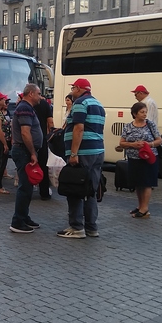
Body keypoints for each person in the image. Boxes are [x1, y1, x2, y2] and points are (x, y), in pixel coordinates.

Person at [58, 78, 106, 239]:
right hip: (97, 151)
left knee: (75, 188)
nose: (71, 92)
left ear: (78, 89)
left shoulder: (80, 103)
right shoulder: (98, 104)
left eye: (73, 88)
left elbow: (79, 128)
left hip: (83, 152)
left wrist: (73, 153)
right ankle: (91, 227)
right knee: (90, 189)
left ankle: (76, 226)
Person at [9, 84, 44, 233]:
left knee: (28, 186)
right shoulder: (25, 108)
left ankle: (24, 216)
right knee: (25, 187)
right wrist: (32, 153)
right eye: (38, 93)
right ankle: (18, 221)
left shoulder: (26, 107)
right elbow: (25, 132)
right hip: (24, 151)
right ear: (30, 94)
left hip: (25, 151)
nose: (41, 97)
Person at [119, 101, 162, 219]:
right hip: (134, 158)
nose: (144, 114)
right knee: (137, 183)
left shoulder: (150, 125)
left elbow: (159, 140)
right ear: (134, 113)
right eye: (142, 112)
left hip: (148, 158)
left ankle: (145, 208)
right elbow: (122, 143)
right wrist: (133, 145)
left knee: (147, 182)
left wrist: (149, 144)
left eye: (145, 112)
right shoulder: (128, 126)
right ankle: (140, 206)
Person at [33, 92, 55, 201]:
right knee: (43, 165)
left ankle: (28, 189)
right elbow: (50, 122)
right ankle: (44, 192)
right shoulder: (45, 104)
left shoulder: (26, 104)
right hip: (42, 139)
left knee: (29, 165)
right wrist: (50, 135)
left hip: (29, 139)